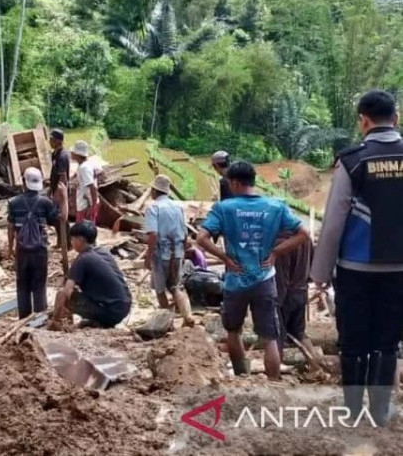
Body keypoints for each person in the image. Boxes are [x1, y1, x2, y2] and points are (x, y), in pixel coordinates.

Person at [311, 90, 403, 426]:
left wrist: (319, 272)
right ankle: (380, 412)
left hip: (355, 268)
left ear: (363, 121)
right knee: (387, 339)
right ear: (396, 118)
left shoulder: (352, 161)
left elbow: (334, 220)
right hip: (399, 271)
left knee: (353, 339)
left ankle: (352, 410)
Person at [197, 161, 309, 380]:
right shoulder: (276, 206)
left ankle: (242, 377)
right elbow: (303, 234)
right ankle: (274, 383)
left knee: (233, 331)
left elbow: (201, 237)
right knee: (269, 338)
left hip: (235, 281)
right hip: (265, 280)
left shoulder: (224, 208)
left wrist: (224, 258)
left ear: (235, 183)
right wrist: (275, 253)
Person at [51, 222, 132, 328]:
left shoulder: (82, 259)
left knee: (63, 295)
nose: (72, 242)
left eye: (73, 239)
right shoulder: (103, 252)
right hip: (124, 306)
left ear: (80, 240)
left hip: (111, 311)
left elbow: (65, 292)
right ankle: (98, 321)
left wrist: (55, 316)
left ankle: (55, 323)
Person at [7, 167, 59, 319]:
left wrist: (10, 249)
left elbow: (11, 227)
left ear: (24, 182)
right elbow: (56, 220)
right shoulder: (45, 203)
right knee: (39, 283)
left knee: (22, 284)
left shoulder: (14, 203)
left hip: (22, 250)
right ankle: (40, 316)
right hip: (40, 250)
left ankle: (24, 317)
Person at [144, 174, 195, 326]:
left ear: (154, 190)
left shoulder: (153, 208)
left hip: (161, 254)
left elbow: (153, 235)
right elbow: (185, 234)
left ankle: (167, 322)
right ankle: (188, 316)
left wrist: (148, 256)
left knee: (160, 290)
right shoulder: (178, 207)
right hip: (177, 253)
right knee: (176, 286)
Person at [275, 235, 314, 354]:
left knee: (278, 336)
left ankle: (276, 371)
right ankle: (314, 363)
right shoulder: (306, 239)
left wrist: (277, 302)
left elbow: (283, 276)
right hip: (301, 291)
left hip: (286, 295)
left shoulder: (282, 243)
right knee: (299, 334)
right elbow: (312, 265)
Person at [49, 128, 70, 250]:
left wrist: (57, 194)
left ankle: (66, 243)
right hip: (55, 189)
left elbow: (63, 177)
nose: (50, 142)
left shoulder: (62, 156)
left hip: (61, 191)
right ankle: (61, 241)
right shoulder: (55, 154)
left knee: (62, 217)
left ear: (58, 141)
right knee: (57, 218)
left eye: (52, 139)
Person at [71, 140, 98, 224]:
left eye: (73, 152)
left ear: (78, 154)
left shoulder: (84, 168)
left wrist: (92, 206)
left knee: (83, 232)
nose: (71, 153)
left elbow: (92, 187)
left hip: (85, 206)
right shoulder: (84, 165)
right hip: (84, 204)